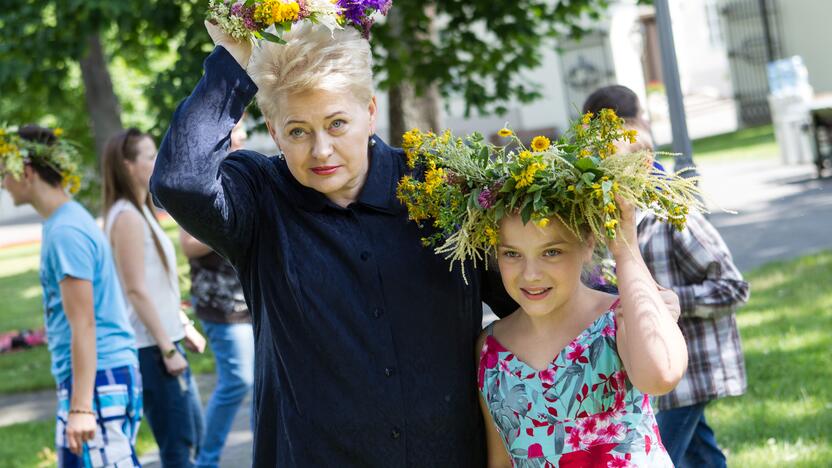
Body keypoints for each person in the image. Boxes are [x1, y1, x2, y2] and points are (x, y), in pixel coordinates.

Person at [149, 18, 516, 467]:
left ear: (370, 110)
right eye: (298, 130)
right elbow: (180, 180)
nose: (320, 150)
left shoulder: (439, 188)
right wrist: (233, 56)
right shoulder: (260, 199)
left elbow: (528, 297)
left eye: (337, 123)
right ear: (273, 126)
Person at [583, 84, 751, 467]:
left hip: (692, 371)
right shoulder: (604, 227)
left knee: (661, 453)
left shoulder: (672, 218)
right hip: (652, 371)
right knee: (700, 456)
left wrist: (661, 301)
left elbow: (733, 287)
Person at [477, 202, 685, 466]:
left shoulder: (619, 317)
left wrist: (626, 249)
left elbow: (661, 375)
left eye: (551, 252)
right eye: (512, 254)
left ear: (588, 243)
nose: (530, 274)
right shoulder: (491, 349)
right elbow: (501, 460)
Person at [1, 125, 141, 467]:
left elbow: (85, 324)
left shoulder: (65, 231)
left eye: (4, 173)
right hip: (94, 379)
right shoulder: (63, 222)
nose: (3, 183)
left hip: (98, 381)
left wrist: (81, 407)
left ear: (27, 172)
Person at [102, 128, 206, 467]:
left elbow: (157, 282)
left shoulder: (141, 209)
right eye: (149, 156)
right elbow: (135, 289)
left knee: (193, 436)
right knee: (178, 447)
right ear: (128, 165)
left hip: (167, 339)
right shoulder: (127, 217)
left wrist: (182, 324)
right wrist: (167, 347)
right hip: (151, 348)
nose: (157, 160)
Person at [179, 119, 253, 468]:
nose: (239, 138)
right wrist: (229, 226)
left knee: (265, 384)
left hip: (255, 299)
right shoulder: (201, 178)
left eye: (241, 132)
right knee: (239, 380)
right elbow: (189, 246)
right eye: (233, 131)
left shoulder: (250, 172)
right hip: (220, 304)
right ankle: (205, 461)